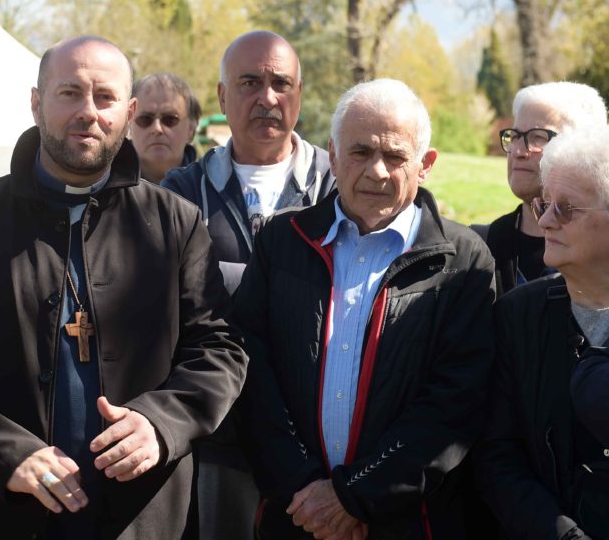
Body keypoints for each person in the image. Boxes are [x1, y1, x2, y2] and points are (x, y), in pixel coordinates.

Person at [0, 35, 248, 539]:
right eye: (69, 93)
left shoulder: (177, 222)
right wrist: (5, 451)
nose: (89, 112)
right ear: (36, 103)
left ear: (128, 112)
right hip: (1, 510)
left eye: (105, 97)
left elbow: (218, 347)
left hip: (142, 515)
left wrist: (161, 423)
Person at [234, 79, 496, 539]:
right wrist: (307, 493)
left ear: (425, 165)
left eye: (395, 156)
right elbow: (252, 370)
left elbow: (456, 400)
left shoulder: (464, 259)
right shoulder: (282, 241)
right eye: (360, 152)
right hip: (294, 515)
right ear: (333, 155)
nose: (377, 171)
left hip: (408, 523)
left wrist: (354, 498)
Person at [161, 30, 334, 538]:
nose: (267, 98)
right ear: (221, 96)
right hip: (219, 438)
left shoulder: (337, 186)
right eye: (250, 83)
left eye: (281, 84)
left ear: (300, 94)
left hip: (317, 446)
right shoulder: (182, 191)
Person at [475, 128, 609, 540]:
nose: (545, 221)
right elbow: (497, 454)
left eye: (565, 209)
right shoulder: (518, 315)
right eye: (543, 204)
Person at [476, 82, 607, 296]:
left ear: (586, 147)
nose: (518, 151)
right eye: (515, 136)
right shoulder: (478, 248)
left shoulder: (600, 259)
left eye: (538, 137)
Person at [129, 72, 200, 183]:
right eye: (145, 119)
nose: (157, 129)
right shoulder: (104, 186)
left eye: (170, 119)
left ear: (191, 129)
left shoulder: (208, 188)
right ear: (129, 126)